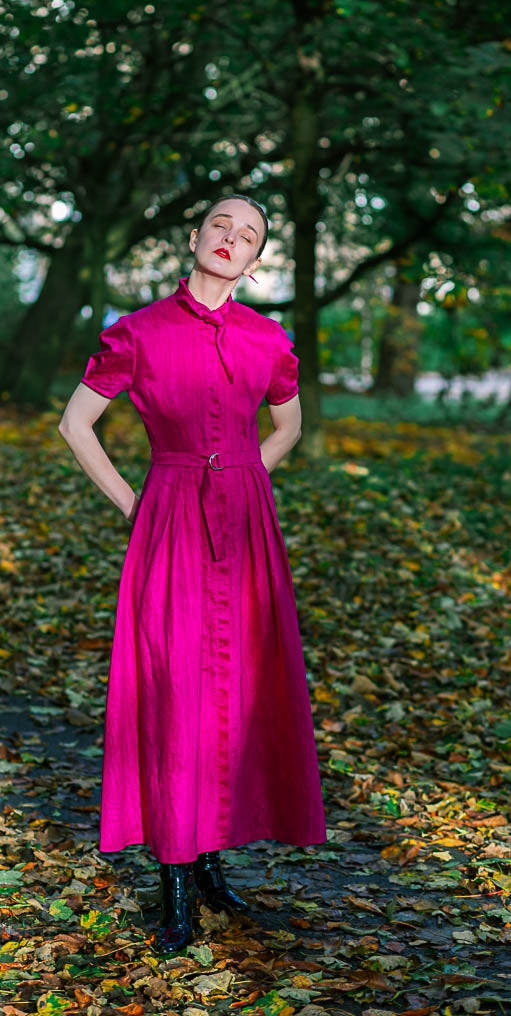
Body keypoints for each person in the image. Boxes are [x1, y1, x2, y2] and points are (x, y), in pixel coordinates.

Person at [59, 194, 327, 955]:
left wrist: (247, 477)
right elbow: (75, 425)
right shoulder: (137, 333)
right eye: (222, 225)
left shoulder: (268, 338)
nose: (231, 240)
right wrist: (135, 503)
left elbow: (289, 425)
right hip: (170, 518)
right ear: (195, 235)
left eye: (248, 235)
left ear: (254, 260)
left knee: (238, 690)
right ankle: (174, 883)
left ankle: (212, 863)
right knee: (176, 690)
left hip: (246, 526)